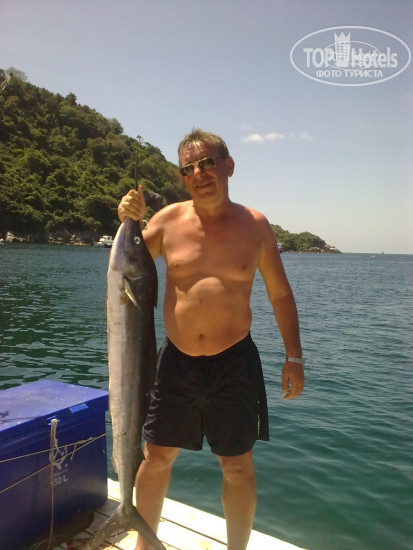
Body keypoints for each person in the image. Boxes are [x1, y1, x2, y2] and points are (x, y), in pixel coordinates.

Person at [117, 128, 304, 550]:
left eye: (207, 163)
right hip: (175, 360)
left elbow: (279, 293)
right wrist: (128, 218)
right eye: (188, 168)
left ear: (228, 166)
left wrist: (294, 357)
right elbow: (125, 265)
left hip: (234, 361)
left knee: (237, 466)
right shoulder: (166, 221)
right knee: (155, 457)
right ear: (182, 178)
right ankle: (145, 545)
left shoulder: (255, 226)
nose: (198, 173)